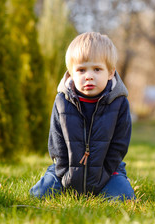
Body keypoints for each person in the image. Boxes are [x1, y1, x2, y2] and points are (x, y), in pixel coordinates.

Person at [30, 32, 135, 201]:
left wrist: (106, 174)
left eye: (97, 69)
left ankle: (109, 185)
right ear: (71, 73)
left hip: (107, 171)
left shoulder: (119, 103)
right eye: (81, 70)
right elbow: (56, 143)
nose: (89, 76)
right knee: (39, 194)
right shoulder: (62, 102)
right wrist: (65, 175)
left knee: (124, 197)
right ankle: (64, 185)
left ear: (110, 73)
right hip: (66, 169)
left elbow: (119, 144)